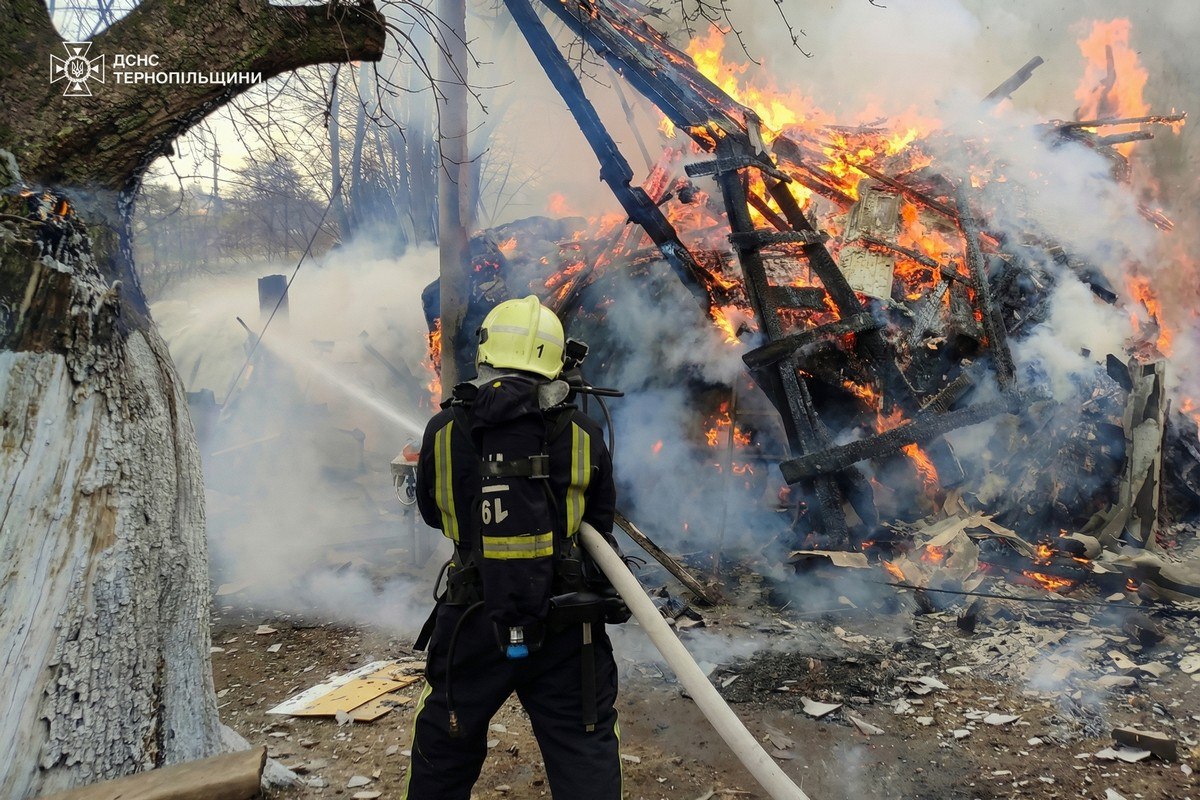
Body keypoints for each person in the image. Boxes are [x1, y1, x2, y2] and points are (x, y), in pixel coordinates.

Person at [404, 295, 626, 800]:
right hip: (567, 623)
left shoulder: (441, 432)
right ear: (557, 359)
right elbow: (600, 523)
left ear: (485, 352)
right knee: (583, 744)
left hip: (471, 618)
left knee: (445, 745)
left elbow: (434, 515)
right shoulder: (584, 435)